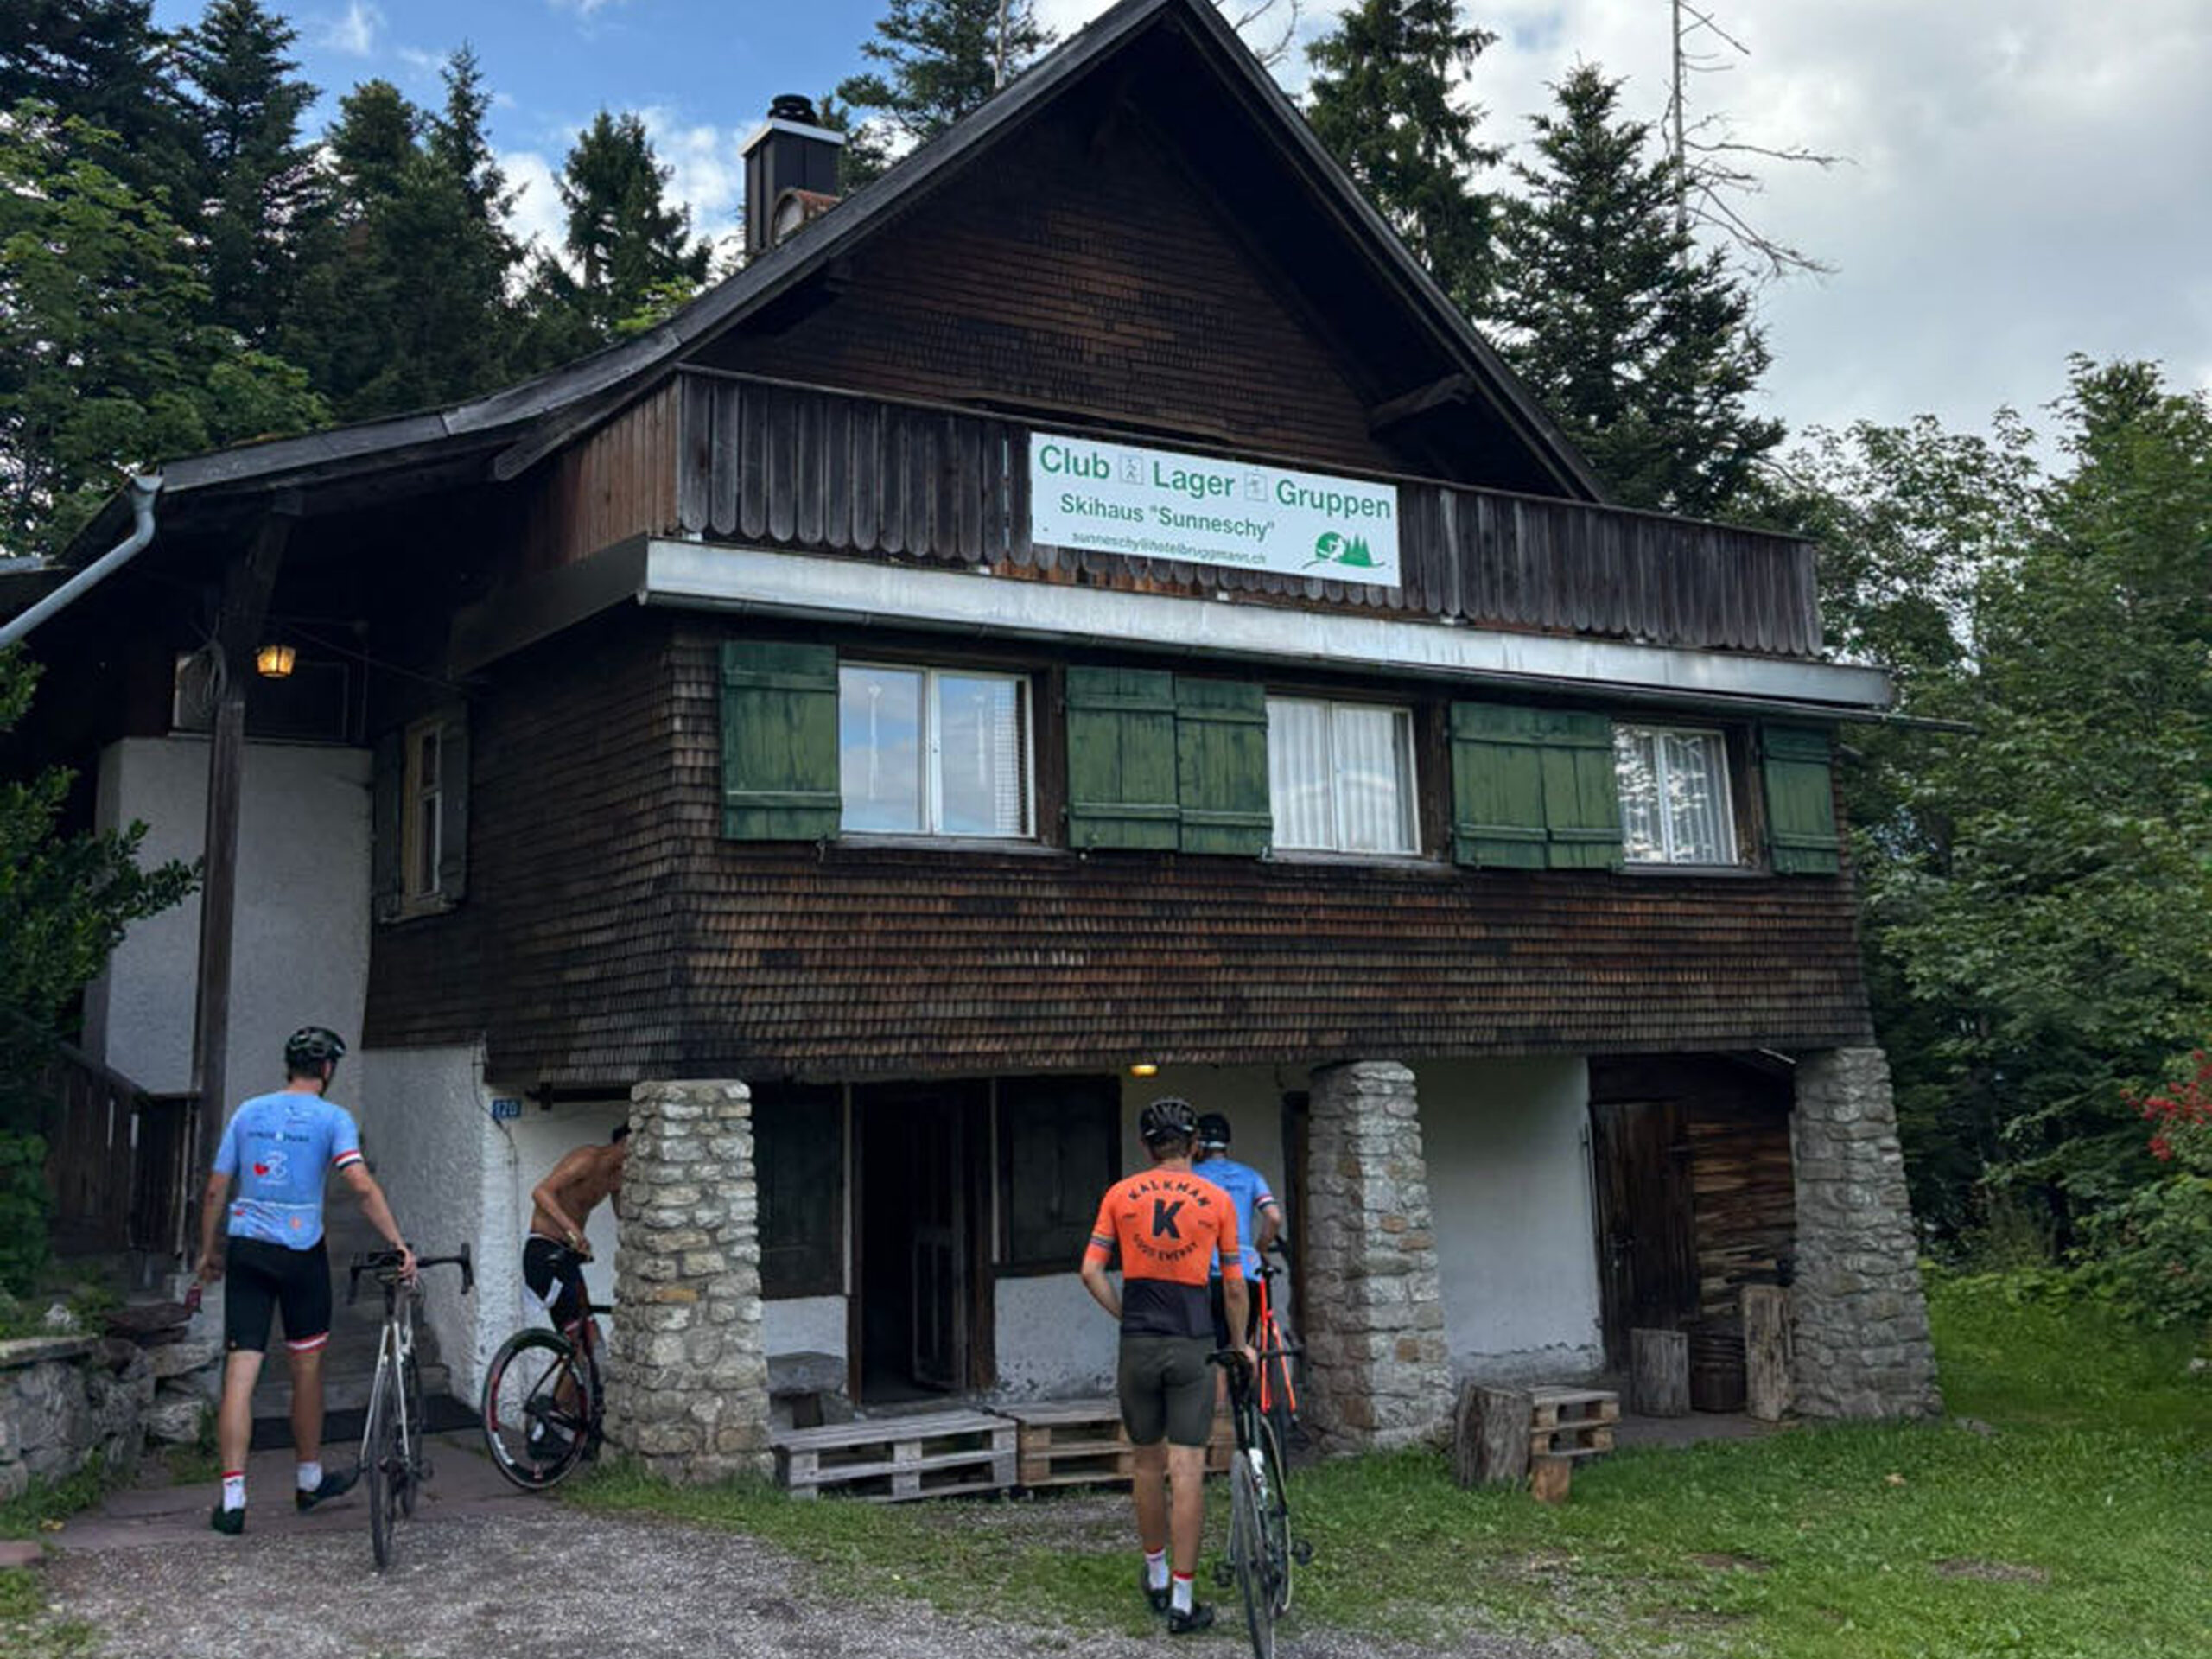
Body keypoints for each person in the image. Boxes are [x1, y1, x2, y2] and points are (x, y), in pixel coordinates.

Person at [194, 1027, 414, 1535]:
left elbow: (214, 1189)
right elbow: (357, 1183)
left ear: (287, 1065)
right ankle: (309, 1479)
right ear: (329, 1071)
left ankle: (232, 1500)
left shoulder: (247, 1112)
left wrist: (210, 1252)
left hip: (247, 1247)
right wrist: (397, 1241)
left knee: (241, 1372)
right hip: (301, 1253)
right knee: (307, 1368)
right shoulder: (334, 1118)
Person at [1079, 1097, 1252, 1635]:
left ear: (1145, 1146)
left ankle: (1154, 1575)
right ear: (1195, 1144)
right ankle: (1183, 1598)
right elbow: (1231, 1283)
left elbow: (1090, 1271)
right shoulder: (1216, 1198)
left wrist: (1124, 1314)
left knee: (1146, 1463)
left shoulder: (1120, 1194)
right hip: (1191, 1343)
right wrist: (1241, 1342)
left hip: (1139, 1343)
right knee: (1188, 1469)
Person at [522, 1123, 629, 1338]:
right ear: (625, 1143)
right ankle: (575, 1365)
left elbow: (623, 1216)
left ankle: (584, 1369)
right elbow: (541, 1192)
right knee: (574, 1334)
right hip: (546, 1248)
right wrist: (574, 1232)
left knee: (587, 1331)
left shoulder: (616, 1178)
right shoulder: (587, 1159)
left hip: (569, 1253)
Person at [1192, 1111, 1283, 1358]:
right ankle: (1247, 1395)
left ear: (1198, 1143)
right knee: (1243, 1345)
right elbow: (1274, 1217)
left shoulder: (1191, 1177)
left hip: (1208, 1270)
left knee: (1216, 1348)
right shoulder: (1251, 1175)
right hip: (1246, 1270)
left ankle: (1221, 1399)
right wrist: (1260, 1249)